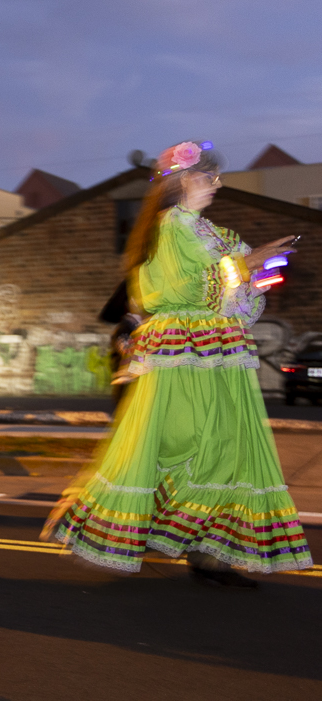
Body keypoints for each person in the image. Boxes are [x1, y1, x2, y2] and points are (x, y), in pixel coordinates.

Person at [44, 141, 312, 585]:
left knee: (227, 447)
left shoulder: (212, 232)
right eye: (210, 176)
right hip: (184, 352)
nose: (218, 184)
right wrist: (248, 264)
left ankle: (211, 551)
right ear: (183, 180)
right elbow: (186, 288)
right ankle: (168, 532)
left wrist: (258, 271)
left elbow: (232, 298)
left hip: (220, 352)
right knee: (185, 442)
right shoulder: (171, 228)